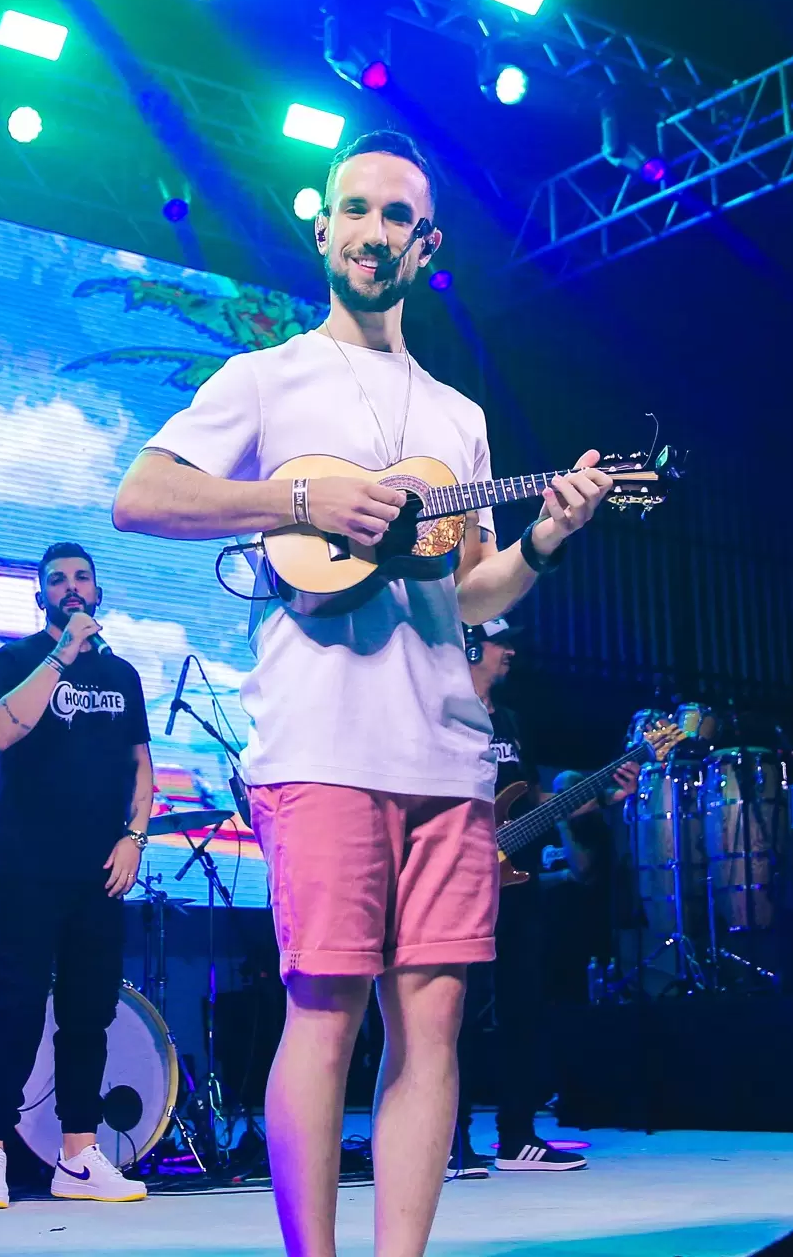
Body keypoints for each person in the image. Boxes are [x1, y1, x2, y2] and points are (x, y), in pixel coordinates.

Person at [113, 129, 617, 1257]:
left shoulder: (457, 417)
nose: (374, 232)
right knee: (325, 1011)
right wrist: (297, 504)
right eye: (356, 209)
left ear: (425, 245)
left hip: (446, 748)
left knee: (433, 1027)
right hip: (321, 743)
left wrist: (543, 538)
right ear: (322, 228)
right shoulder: (265, 378)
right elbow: (139, 497)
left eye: (398, 216)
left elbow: (469, 588)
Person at [0, 542, 155, 1208]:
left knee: (87, 1014)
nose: (71, 587)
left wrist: (134, 838)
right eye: (58, 580)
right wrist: (62, 653)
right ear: (41, 595)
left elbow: (141, 767)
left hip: (99, 869)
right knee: (15, 1005)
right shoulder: (16, 660)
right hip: (28, 864)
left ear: (97, 591)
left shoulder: (122, 675)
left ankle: (78, 1156)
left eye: (81, 578)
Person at [453, 617, 636, 1172]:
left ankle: (517, 1137)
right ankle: (451, 1140)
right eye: (501, 643)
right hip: (460, 882)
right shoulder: (447, 712)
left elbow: (532, 801)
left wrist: (598, 799)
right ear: (470, 646)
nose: (510, 652)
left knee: (523, 1008)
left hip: (519, 885)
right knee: (457, 1014)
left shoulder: (510, 720)